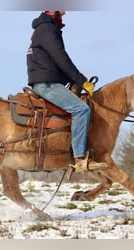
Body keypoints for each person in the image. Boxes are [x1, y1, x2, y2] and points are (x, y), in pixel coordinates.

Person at [26, 10, 107, 172]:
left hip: (47, 80)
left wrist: (74, 81)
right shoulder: (48, 28)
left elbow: (56, 61)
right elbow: (61, 58)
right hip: (46, 84)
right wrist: (82, 81)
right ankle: (79, 159)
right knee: (81, 109)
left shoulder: (46, 28)